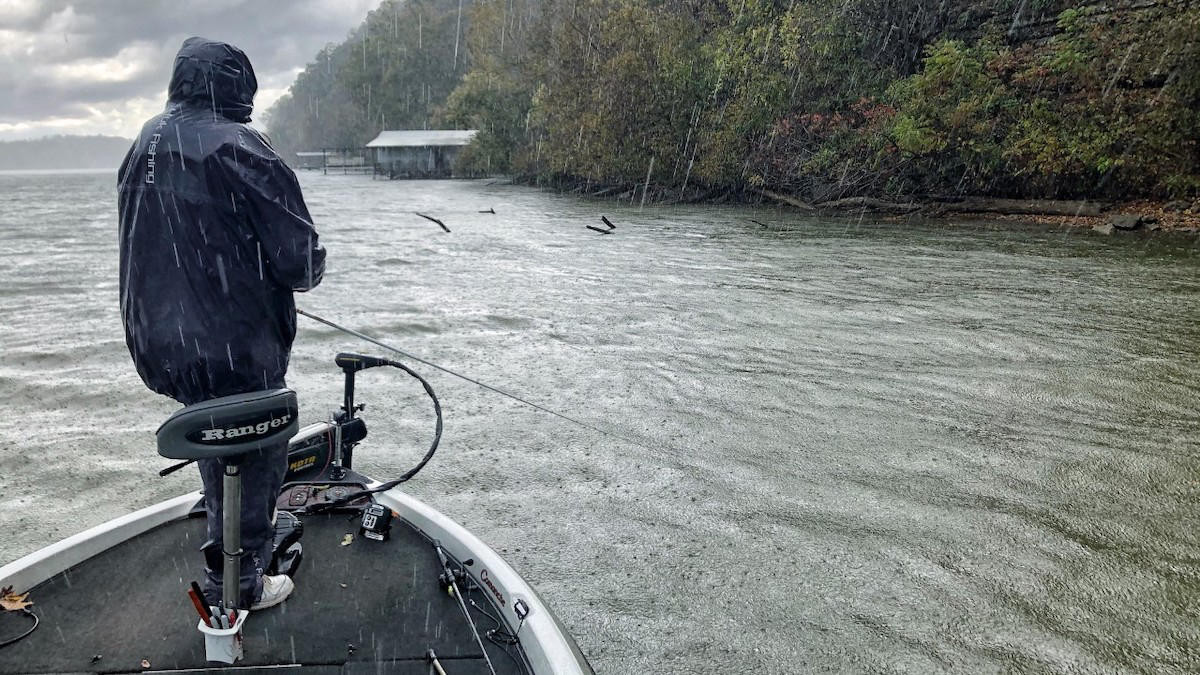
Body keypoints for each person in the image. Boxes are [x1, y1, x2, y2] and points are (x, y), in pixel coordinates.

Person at [117, 37, 325, 610]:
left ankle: (223, 538)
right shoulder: (240, 146)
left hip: (159, 339)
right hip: (230, 341)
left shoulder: (145, 141)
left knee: (214, 432)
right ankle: (239, 584)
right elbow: (300, 262)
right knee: (259, 447)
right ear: (238, 87)